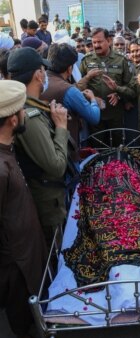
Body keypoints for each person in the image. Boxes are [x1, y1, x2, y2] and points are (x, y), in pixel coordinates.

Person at [0, 80, 48, 338]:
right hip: (14, 254)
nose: (25, 114)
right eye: (22, 110)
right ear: (12, 119)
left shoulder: (8, 148)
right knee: (19, 299)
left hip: (25, 242)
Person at [7, 47, 68, 248]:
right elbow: (56, 166)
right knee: (56, 258)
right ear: (39, 75)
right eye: (43, 70)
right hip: (48, 205)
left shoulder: (31, 106)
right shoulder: (29, 115)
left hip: (49, 198)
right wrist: (61, 127)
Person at [41, 43, 100, 157]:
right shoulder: (69, 90)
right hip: (65, 151)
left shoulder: (39, 80)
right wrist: (92, 100)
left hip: (43, 148)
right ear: (69, 69)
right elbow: (94, 117)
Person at [79, 28, 133, 146]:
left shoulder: (121, 60)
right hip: (94, 114)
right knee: (98, 146)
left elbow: (129, 85)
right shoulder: (86, 60)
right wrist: (91, 98)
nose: (96, 45)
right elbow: (80, 86)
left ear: (109, 40)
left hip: (115, 114)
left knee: (117, 145)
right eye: (94, 43)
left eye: (100, 42)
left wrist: (119, 95)